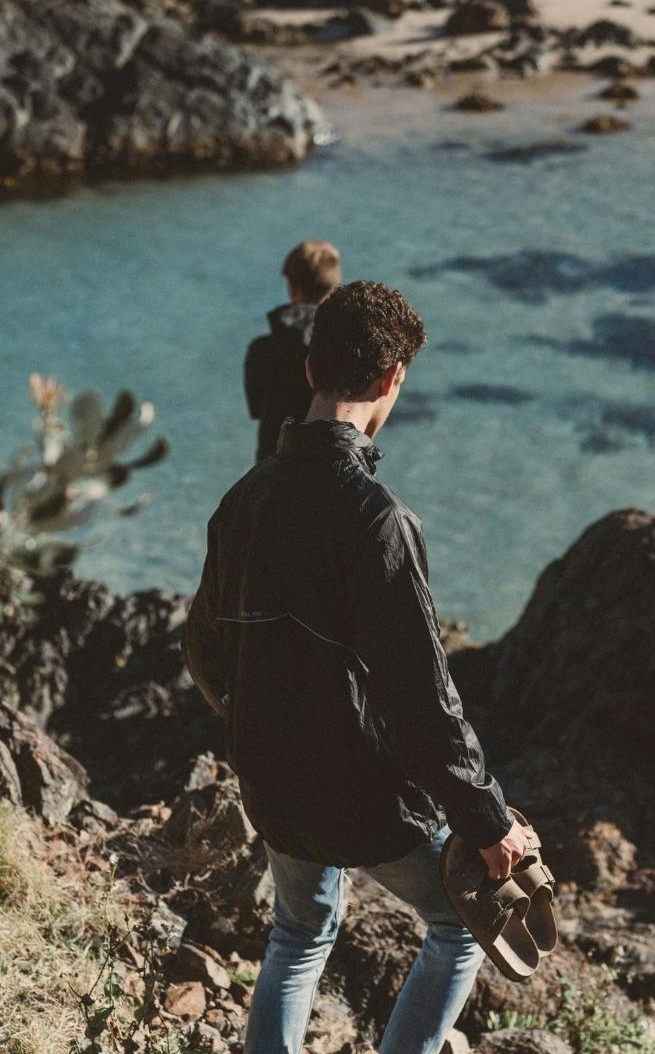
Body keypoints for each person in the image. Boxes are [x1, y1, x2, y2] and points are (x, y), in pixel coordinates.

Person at [185, 281, 532, 1054]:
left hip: (269, 775)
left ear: (310, 368)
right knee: (458, 927)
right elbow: (422, 699)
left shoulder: (241, 500)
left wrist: (253, 724)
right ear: (390, 380)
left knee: (298, 934)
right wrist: (487, 818)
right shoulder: (379, 519)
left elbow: (206, 650)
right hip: (360, 795)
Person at [244, 240, 342, 462]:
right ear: (335, 287)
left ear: (292, 289)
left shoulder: (261, 350)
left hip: (272, 466)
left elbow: (256, 408)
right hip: (327, 465)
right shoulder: (343, 350)